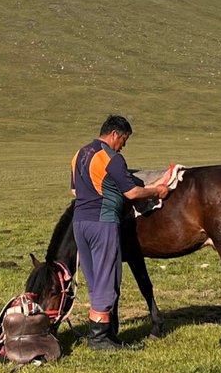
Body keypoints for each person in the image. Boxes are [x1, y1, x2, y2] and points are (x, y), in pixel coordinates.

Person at [70, 115, 169, 352]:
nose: (123, 145)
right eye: (124, 139)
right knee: (107, 278)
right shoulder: (111, 158)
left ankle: (100, 332)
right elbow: (133, 193)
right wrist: (157, 190)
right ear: (114, 134)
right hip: (103, 222)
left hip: (79, 222)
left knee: (94, 279)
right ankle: (100, 339)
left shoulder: (78, 154)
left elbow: (75, 191)